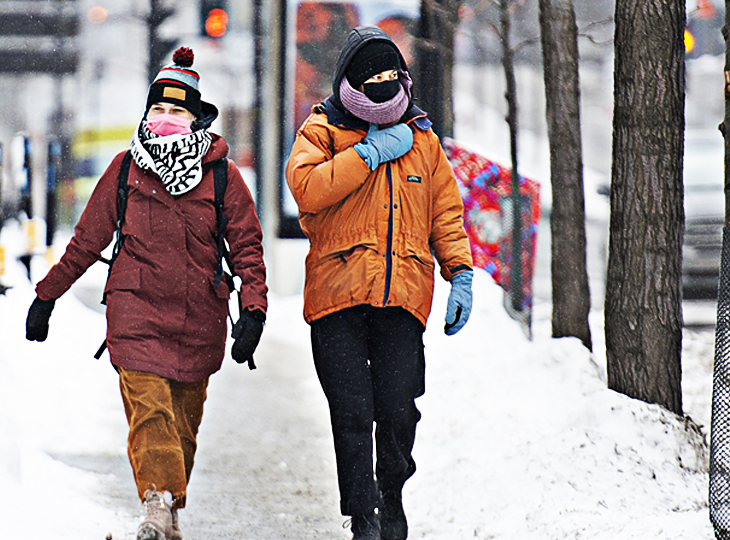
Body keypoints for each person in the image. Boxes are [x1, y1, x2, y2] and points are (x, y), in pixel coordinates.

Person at [25, 47, 268, 540]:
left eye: (177, 110)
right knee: (150, 411)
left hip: (200, 318)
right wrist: (47, 296)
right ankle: (156, 504)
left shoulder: (222, 175)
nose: (165, 118)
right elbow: (86, 240)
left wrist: (254, 311)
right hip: (135, 313)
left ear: (197, 117)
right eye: (158, 108)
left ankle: (167, 513)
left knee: (182, 426)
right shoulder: (124, 169)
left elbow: (247, 248)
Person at [285, 27, 473, 540]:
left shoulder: (424, 141)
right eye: (373, 77)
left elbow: (446, 216)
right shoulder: (322, 130)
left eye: (393, 75)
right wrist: (365, 155)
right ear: (350, 81)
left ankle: (392, 497)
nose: (385, 84)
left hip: (403, 296)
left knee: (397, 411)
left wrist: (460, 274)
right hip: (337, 296)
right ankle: (363, 515)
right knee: (352, 413)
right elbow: (307, 189)